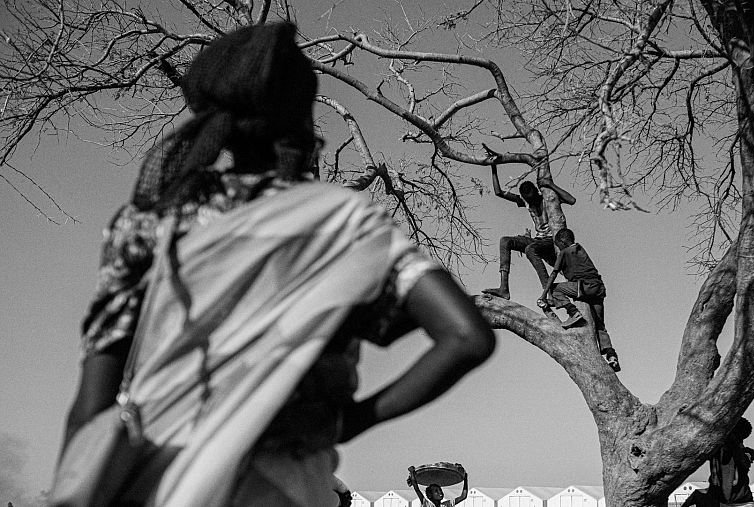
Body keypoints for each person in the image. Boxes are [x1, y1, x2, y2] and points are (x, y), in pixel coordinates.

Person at [56, 22, 495, 507]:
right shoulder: (343, 223)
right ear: (301, 117)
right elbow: (466, 337)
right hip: (289, 485)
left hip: (160, 481)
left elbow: (92, 401)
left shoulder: (151, 221)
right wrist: (352, 421)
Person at [481, 144, 576, 301]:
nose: (531, 202)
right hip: (537, 240)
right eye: (528, 199)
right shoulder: (526, 201)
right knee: (506, 241)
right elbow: (499, 192)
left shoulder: (548, 198)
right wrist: (493, 168)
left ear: (537, 193)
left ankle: (549, 292)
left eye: (533, 198)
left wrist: (551, 185)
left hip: (550, 241)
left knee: (531, 249)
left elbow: (571, 200)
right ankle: (504, 288)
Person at [538, 228, 620, 371]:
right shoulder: (580, 249)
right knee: (600, 325)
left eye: (558, 244)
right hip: (598, 289)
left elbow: (553, 274)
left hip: (584, 287)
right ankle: (611, 356)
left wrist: (544, 294)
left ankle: (573, 312)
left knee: (555, 288)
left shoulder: (564, 252)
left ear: (562, 242)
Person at [681, 418, 754, 507]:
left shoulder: (746, 452)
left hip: (742, 503)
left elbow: (743, 462)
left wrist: (730, 439)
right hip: (720, 502)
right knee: (697, 495)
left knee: (699, 495)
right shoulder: (715, 452)